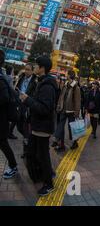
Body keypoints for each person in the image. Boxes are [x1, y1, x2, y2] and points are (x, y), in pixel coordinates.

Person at [19, 56, 57, 196]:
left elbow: (44, 108)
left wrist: (27, 100)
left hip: (42, 127)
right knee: (32, 153)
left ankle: (49, 183)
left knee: (43, 155)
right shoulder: (41, 82)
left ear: (42, 68)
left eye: (36, 65)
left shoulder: (47, 86)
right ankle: (44, 175)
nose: (34, 67)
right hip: (37, 125)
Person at [0, 49, 19, 180]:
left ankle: (13, 166)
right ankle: (13, 166)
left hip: (1, 119)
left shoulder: (1, 78)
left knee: (3, 143)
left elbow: (4, 98)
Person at [9, 63, 37, 140]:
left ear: (32, 71)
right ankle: (26, 137)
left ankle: (27, 138)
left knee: (24, 123)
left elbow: (34, 95)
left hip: (26, 104)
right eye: (25, 69)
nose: (26, 71)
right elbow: (15, 88)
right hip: (18, 102)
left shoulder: (35, 82)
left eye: (28, 70)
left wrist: (28, 100)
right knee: (18, 123)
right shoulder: (21, 78)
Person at [54, 70, 81, 151]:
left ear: (69, 75)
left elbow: (77, 101)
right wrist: (58, 105)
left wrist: (77, 112)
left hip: (71, 111)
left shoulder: (76, 87)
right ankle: (57, 140)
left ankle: (75, 142)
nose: (66, 75)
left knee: (71, 128)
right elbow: (61, 96)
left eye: (67, 74)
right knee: (60, 125)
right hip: (63, 109)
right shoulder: (65, 85)